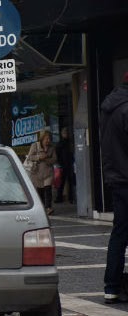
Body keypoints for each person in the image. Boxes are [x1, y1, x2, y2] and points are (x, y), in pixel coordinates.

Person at [101, 72, 128, 304]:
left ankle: (111, 286)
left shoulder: (109, 106)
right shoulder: (126, 108)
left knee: (119, 234)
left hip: (116, 179)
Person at [26, 130, 57, 215]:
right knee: (40, 191)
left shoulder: (52, 148)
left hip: (48, 172)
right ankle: (43, 207)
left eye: (49, 139)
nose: (48, 141)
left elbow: (54, 159)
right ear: (42, 138)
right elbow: (30, 157)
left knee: (48, 189)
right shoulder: (35, 146)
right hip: (37, 172)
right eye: (46, 139)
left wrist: (46, 159)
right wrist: (39, 157)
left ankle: (48, 207)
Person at [54, 127, 75, 203]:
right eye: (64, 133)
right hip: (64, 165)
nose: (66, 134)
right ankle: (62, 197)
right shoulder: (62, 143)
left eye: (66, 133)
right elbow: (57, 154)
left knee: (68, 181)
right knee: (62, 182)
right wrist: (59, 163)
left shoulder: (68, 142)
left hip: (68, 164)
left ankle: (70, 197)